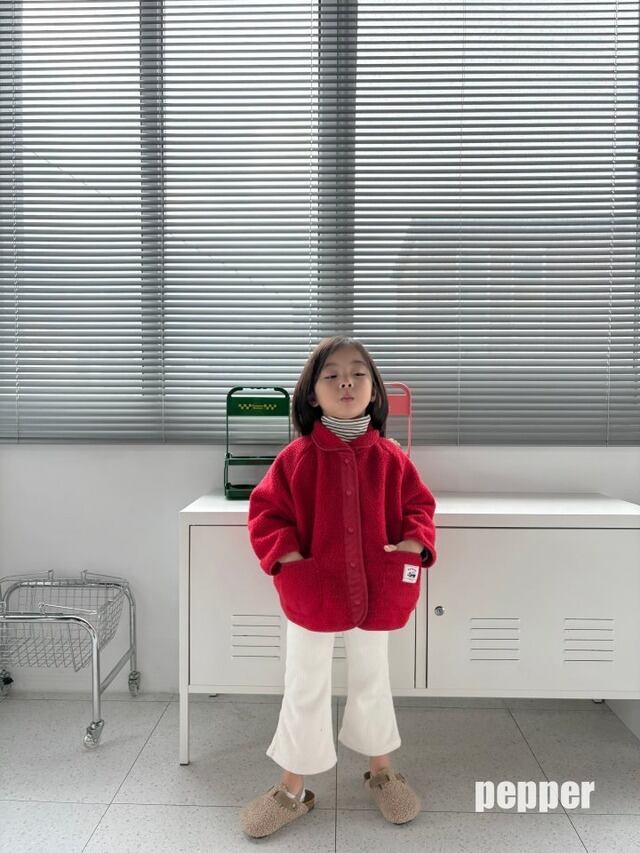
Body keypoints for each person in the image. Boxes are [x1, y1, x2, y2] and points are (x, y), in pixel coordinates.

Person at [240, 335, 437, 838]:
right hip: (313, 590)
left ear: (374, 390)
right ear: (311, 393)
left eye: (358, 374)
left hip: (377, 588)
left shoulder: (391, 458)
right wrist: (290, 559)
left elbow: (419, 507)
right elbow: (266, 513)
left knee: (374, 677)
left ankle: (381, 771)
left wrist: (412, 544)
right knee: (304, 682)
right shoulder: (296, 458)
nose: (346, 382)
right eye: (331, 375)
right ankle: (292, 788)